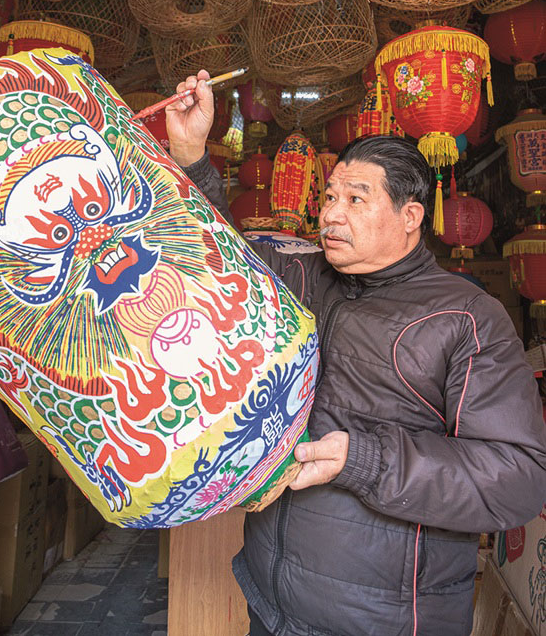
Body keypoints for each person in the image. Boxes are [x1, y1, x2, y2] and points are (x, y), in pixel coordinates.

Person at [166, 70, 546, 636]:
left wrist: (364, 461)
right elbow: (215, 253)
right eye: (329, 197)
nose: (330, 214)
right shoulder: (304, 276)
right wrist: (192, 156)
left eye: (355, 199)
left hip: (384, 621)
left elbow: (517, 477)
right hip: (270, 603)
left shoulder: (466, 317)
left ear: (411, 216)